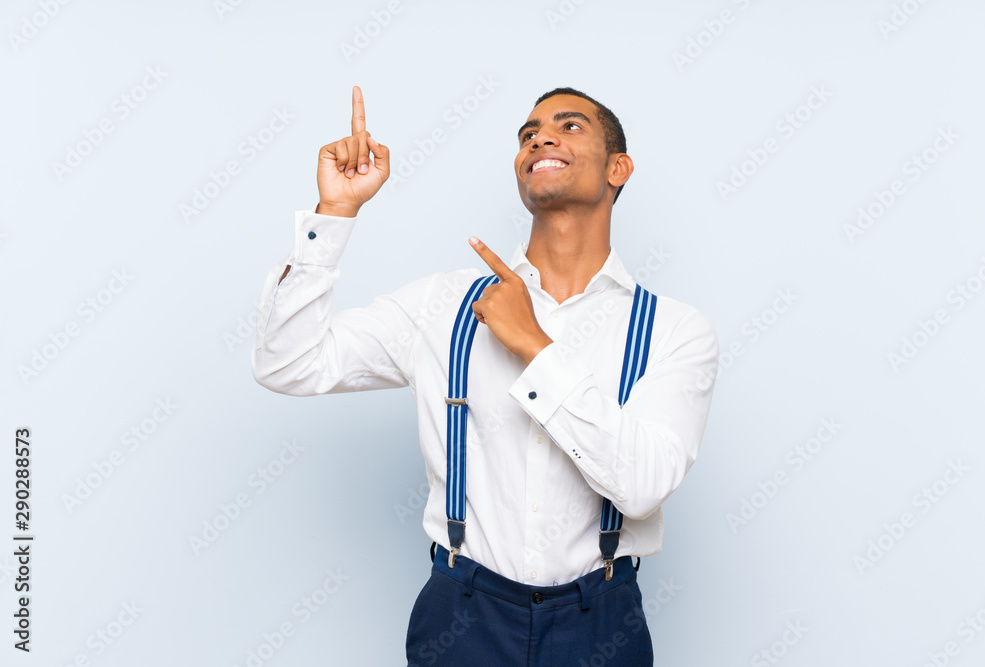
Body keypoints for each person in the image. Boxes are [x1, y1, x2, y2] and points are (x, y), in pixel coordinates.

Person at [251, 85, 719, 666]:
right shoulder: (442, 305)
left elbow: (642, 486)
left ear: (617, 168)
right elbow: (287, 362)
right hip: (462, 617)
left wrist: (533, 345)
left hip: (601, 621)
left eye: (569, 126)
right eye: (529, 134)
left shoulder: (674, 330)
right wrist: (335, 213)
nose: (540, 139)